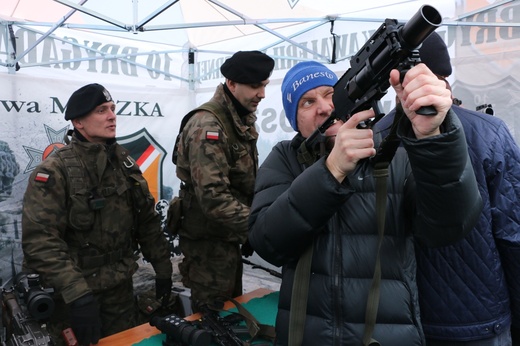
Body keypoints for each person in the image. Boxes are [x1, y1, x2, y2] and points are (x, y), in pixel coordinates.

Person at [248, 60, 483, 345]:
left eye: (329, 94)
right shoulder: (285, 159)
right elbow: (267, 242)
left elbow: (448, 226)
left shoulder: (391, 152)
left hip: (389, 336)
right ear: (294, 120)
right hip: (305, 335)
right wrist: (330, 171)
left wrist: (434, 138)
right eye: (307, 102)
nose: (324, 107)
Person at [375, 31, 520, 346]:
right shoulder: (490, 132)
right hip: (478, 319)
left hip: (398, 318)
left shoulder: (374, 136)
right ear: (445, 75)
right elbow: (513, 236)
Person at [21, 83, 173, 346]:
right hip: (73, 297)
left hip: (120, 292)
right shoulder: (54, 172)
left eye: (112, 109)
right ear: (78, 122)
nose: (112, 115)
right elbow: (40, 241)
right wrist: (77, 294)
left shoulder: (124, 164)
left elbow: (146, 221)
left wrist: (163, 268)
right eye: (101, 110)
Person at [174, 50, 275, 311]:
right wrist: (258, 225)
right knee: (214, 318)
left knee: (230, 312)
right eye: (255, 86)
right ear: (231, 83)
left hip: (227, 238)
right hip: (209, 247)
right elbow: (214, 198)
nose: (262, 94)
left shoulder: (237, 119)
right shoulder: (208, 125)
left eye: (264, 85)